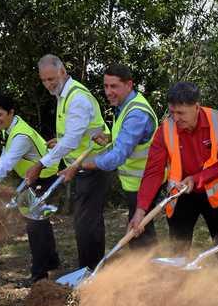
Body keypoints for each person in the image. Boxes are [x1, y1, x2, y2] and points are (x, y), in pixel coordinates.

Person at [128, 82, 218, 260]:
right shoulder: (165, 130)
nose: (175, 118)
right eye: (172, 112)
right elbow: (153, 172)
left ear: (197, 107)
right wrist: (140, 211)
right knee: (178, 252)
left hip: (217, 197)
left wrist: (196, 178)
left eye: (181, 113)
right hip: (181, 196)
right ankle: (178, 285)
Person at [25, 54, 111, 271]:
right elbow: (74, 134)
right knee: (87, 221)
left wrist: (40, 165)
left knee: (86, 223)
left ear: (63, 72)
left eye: (51, 79)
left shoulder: (77, 98)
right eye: (44, 80)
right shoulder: (63, 94)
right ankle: (91, 268)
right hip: (81, 166)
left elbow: (73, 139)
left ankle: (90, 271)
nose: (48, 84)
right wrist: (60, 142)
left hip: (93, 165)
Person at [60, 64, 158, 249]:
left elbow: (117, 156)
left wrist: (81, 165)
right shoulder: (126, 105)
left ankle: (149, 274)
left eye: (114, 86)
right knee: (141, 232)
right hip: (136, 183)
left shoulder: (136, 113)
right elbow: (130, 139)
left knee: (139, 235)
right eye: (105, 86)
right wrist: (110, 138)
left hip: (144, 182)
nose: (108, 92)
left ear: (129, 85)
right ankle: (149, 272)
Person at [0, 93, 60, 285]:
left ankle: (39, 276)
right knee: (40, 222)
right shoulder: (9, 128)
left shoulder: (21, 135)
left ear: (11, 112)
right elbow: (5, 155)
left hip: (44, 176)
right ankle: (51, 262)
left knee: (35, 226)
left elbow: (7, 165)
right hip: (33, 177)